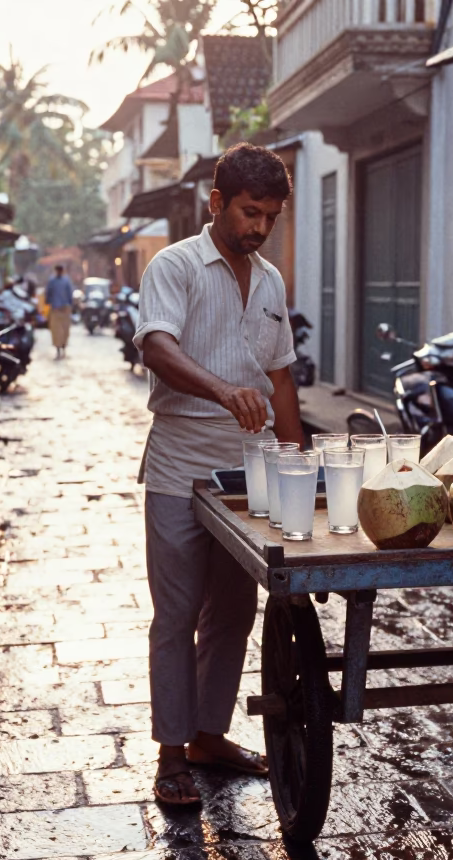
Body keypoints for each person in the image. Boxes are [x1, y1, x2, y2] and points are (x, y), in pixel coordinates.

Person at [133, 144, 303, 806]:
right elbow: (157, 346)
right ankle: (171, 756)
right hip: (179, 461)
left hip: (247, 470)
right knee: (177, 613)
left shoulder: (270, 281)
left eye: (270, 216)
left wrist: (297, 467)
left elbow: (282, 378)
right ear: (216, 204)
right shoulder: (174, 266)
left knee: (234, 609)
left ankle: (208, 735)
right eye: (249, 212)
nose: (259, 228)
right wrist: (221, 389)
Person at [45, 265, 75, 358]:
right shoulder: (52, 281)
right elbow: (48, 293)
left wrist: (71, 305)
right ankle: (58, 348)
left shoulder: (66, 281)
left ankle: (63, 346)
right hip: (55, 309)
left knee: (65, 329)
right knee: (56, 330)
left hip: (65, 308)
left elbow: (70, 294)